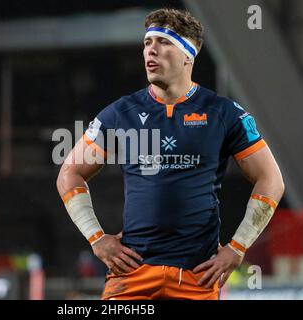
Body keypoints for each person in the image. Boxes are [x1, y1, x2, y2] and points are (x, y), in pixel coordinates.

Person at [56, 8, 284, 300]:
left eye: (164, 43)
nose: (151, 50)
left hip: (197, 277)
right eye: (147, 43)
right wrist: (97, 238)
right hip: (132, 275)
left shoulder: (224, 113)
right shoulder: (120, 113)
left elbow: (271, 180)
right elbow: (69, 173)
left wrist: (237, 247)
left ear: (188, 55)